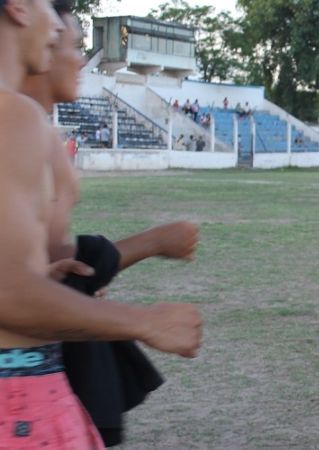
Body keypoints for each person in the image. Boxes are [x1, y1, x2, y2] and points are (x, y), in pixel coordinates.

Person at [0, 1, 203, 447]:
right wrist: (144, 322)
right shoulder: (13, 116)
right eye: (50, 11)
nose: (55, 26)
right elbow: (7, 291)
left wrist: (44, 277)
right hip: (20, 399)